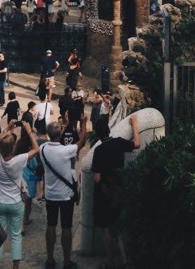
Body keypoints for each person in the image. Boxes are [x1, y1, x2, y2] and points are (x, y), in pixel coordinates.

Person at [92, 115, 141, 269]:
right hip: (118, 190)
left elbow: (97, 178)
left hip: (104, 194)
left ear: (97, 134)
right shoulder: (119, 142)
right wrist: (134, 124)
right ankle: (125, 261)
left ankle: (110, 262)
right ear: (109, 130)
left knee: (106, 228)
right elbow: (137, 144)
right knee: (118, 226)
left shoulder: (98, 151)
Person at [40, 116, 88, 269]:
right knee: (66, 227)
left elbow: (56, 136)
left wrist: (64, 127)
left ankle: (50, 259)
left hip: (50, 194)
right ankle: (67, 262)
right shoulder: (66, 151)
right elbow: (82, 142)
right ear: (59, 134)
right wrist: (85, 123)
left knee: (51, 225)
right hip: (65, 194)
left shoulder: (43, 149)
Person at [0, 121, 38, 269]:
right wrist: (29, 131)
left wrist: (7, 129)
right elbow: (36, 149)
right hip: (16, 202)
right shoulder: (18, 160)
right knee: (16, 236)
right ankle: (15, 266)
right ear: (13, 148)